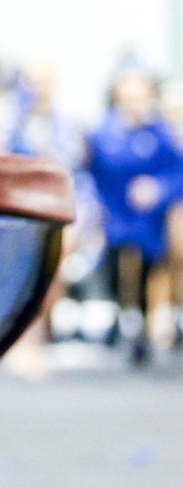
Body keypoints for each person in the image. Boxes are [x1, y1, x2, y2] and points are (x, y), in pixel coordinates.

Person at [88, 68, 183, 359]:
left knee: (146, 272)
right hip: (114, 220)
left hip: (148, 223)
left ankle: (143, 328)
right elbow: (97, 176)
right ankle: (119, 319)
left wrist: (157, 188)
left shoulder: (159, 134)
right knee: (117, 270)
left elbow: (176, 172)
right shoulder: (103, 135)